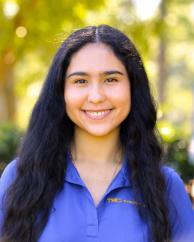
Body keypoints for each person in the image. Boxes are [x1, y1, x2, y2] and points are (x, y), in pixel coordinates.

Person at [0, 25, 194, 242]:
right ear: (60, 91)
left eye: (111, 79)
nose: (96, 96)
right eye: (80, 81)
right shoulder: (18, 178)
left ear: (133, 87)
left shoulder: (165, 186)